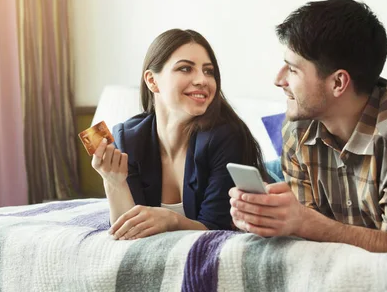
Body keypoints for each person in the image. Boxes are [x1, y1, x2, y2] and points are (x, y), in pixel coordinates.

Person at [229, 0, 387, 252]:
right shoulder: (296, 129)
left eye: (292, 70)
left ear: (338, 83)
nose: (279, 80)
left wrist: (304, 222)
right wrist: (268, 219)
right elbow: (305, 231)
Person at [92, 29, 268, 240]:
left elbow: (218, 230)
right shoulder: (128, 138)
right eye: (185, 68)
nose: (202, 80)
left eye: (208, 71)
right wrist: (114, 182)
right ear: (152, 81)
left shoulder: (227, 136)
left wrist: (170, 220)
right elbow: (127, 230)